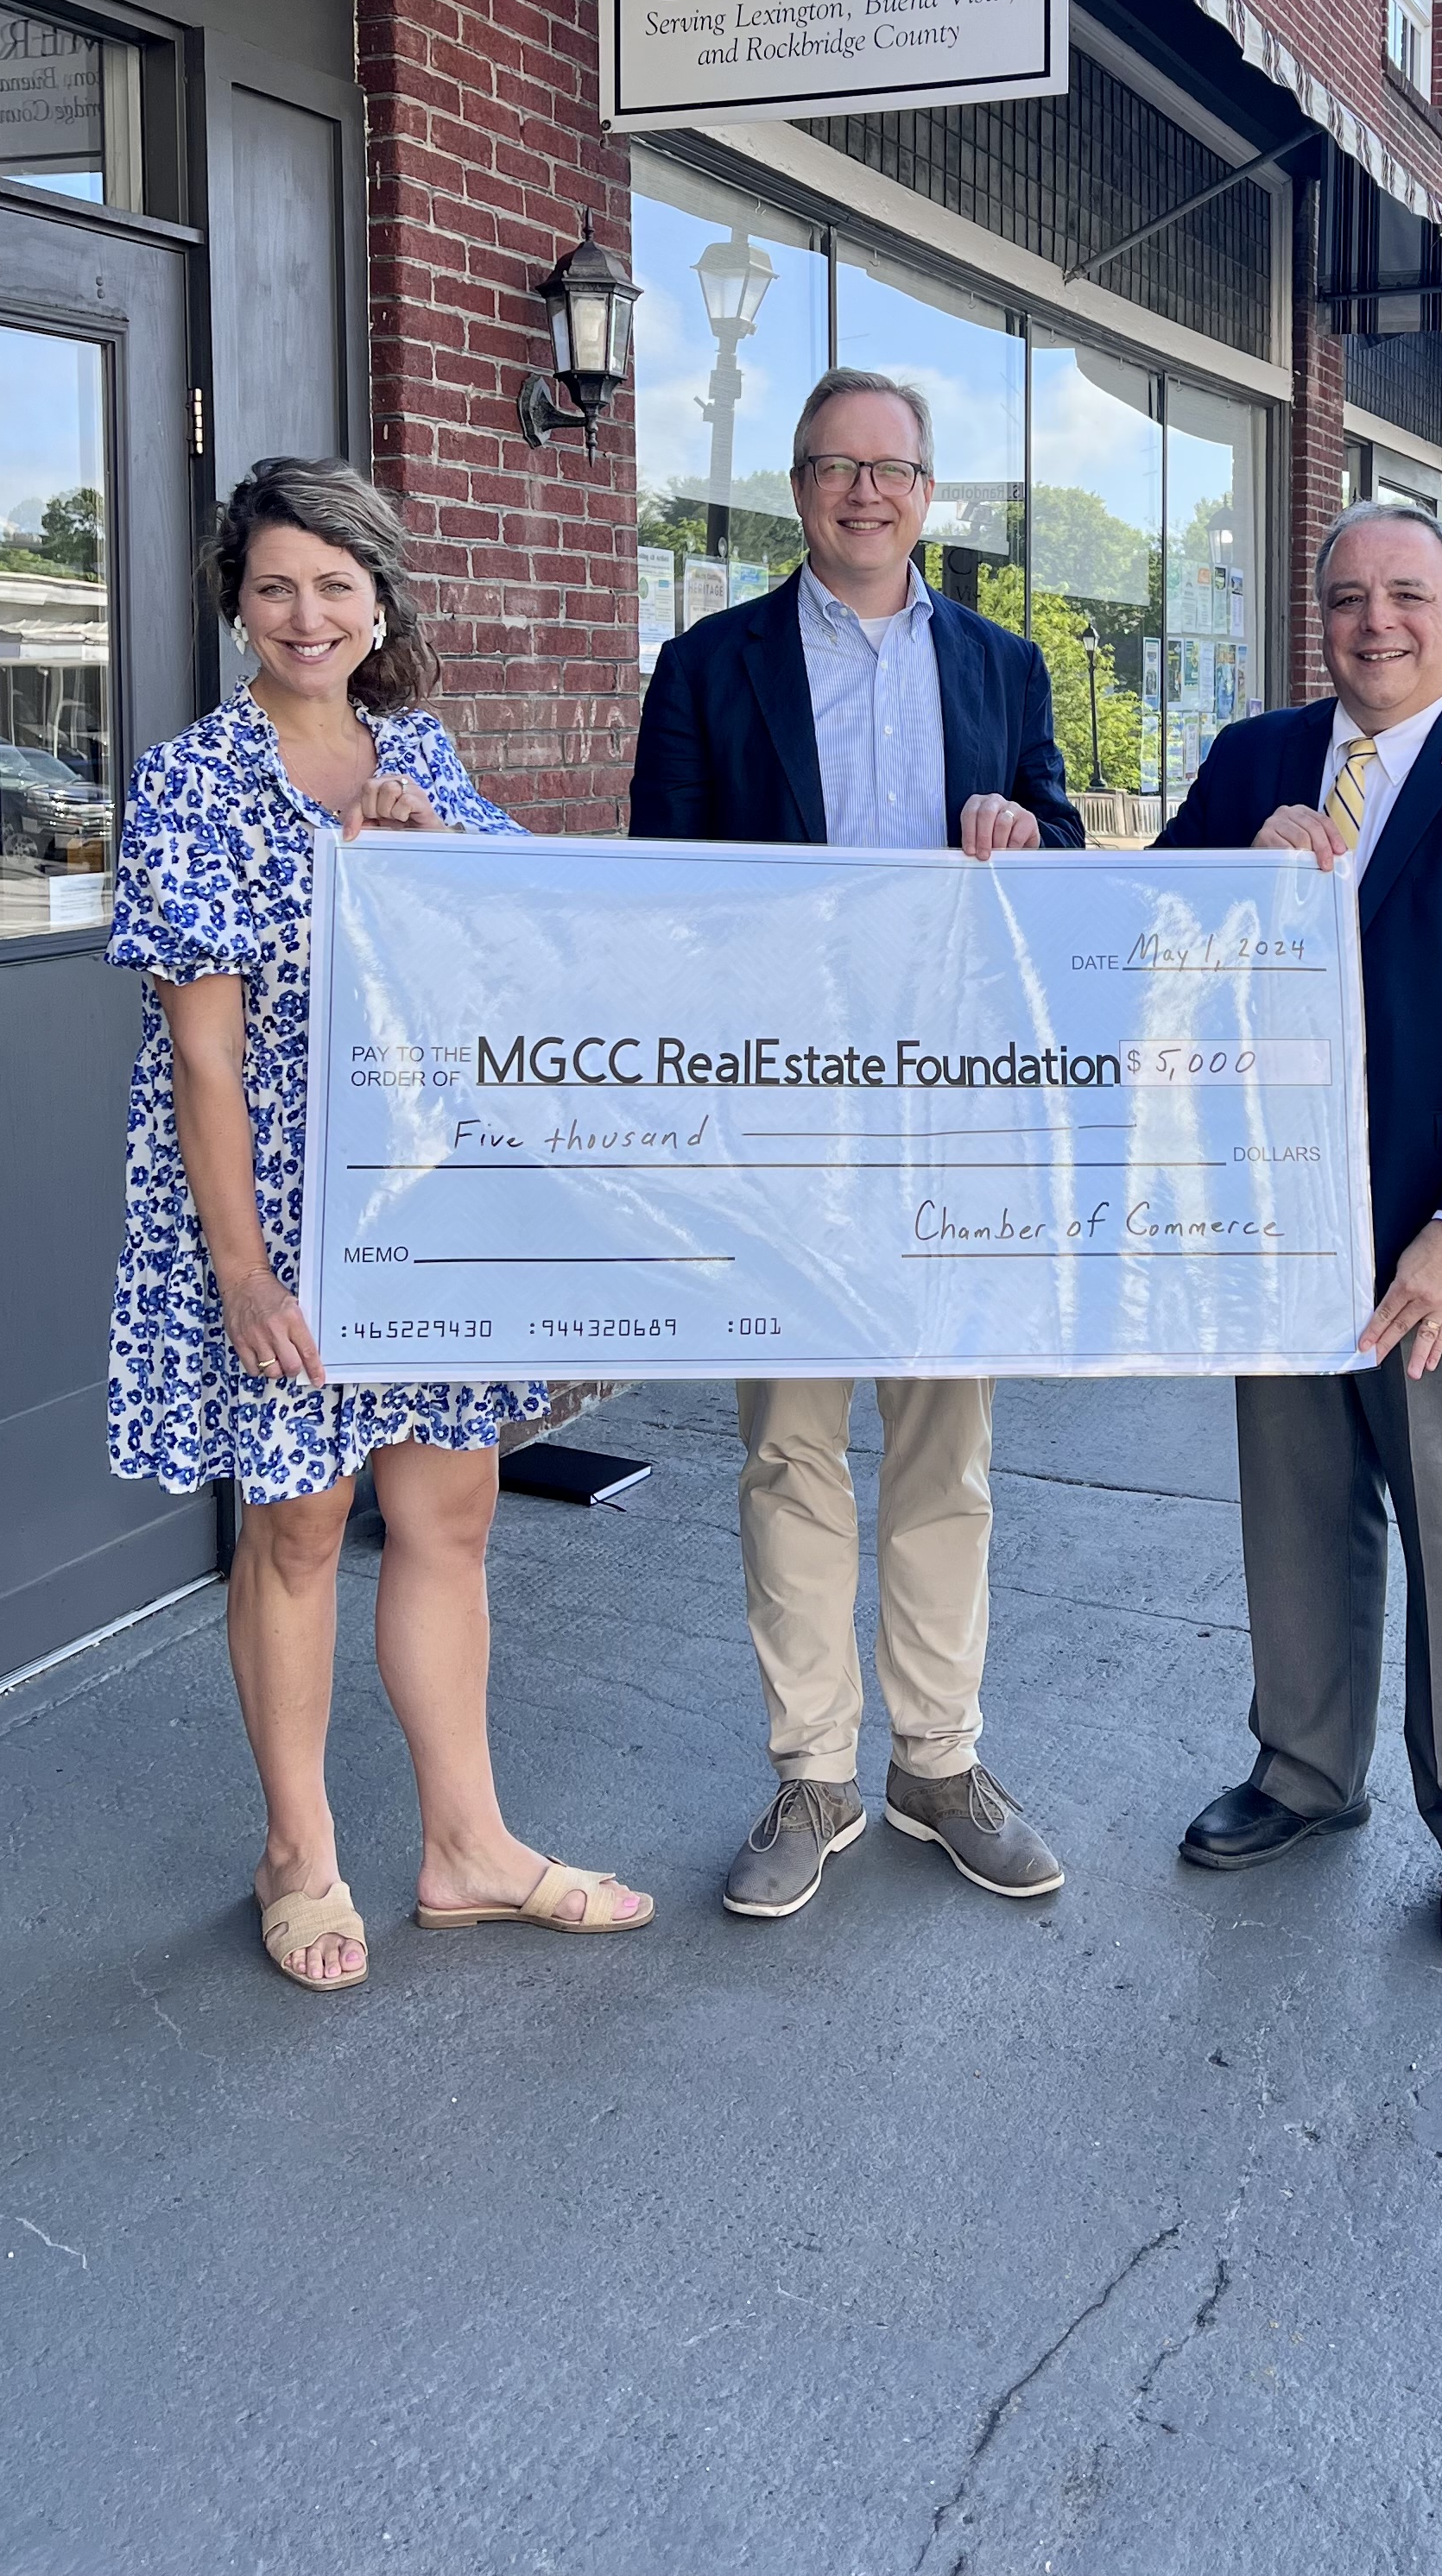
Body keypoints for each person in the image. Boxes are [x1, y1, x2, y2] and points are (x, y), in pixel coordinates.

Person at [106, 456, 651, 1991]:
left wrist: (431, 854)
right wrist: (241, 1271)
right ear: (238, 601)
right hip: (272, 1213)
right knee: (299, 1525)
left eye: (336, 584)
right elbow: (202, 1049)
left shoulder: (422, 756)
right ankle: (299, 1849)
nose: (306, 613)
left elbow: (516, 947)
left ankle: (468, 1846)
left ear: (378, 601)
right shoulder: (193, 782)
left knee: (452, 1516)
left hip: (424, 1209)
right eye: (276, 584)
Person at [630, 367, 1084, 1922]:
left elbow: (1064, 857)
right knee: (790, 1442)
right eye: (835, 468)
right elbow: (660, 895)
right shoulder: (705, 666)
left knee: (946, 1447)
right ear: (800, 489)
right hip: (783, 1116)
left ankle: (938, 1762)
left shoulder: (1010, 667)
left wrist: (1031, 838)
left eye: (891, 469)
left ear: (927, 493)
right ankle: (812, 1770)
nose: (865, 494)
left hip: (953, 1120)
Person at [1157, 496, 1442, 1960]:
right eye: (1349, 595)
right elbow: (1149, 938)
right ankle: (1303, 1772)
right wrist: (1239, 867)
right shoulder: (1249, 764)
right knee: (1296, 1511)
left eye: (1407, 593)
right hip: (1279, 1227)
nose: (1377, 622)